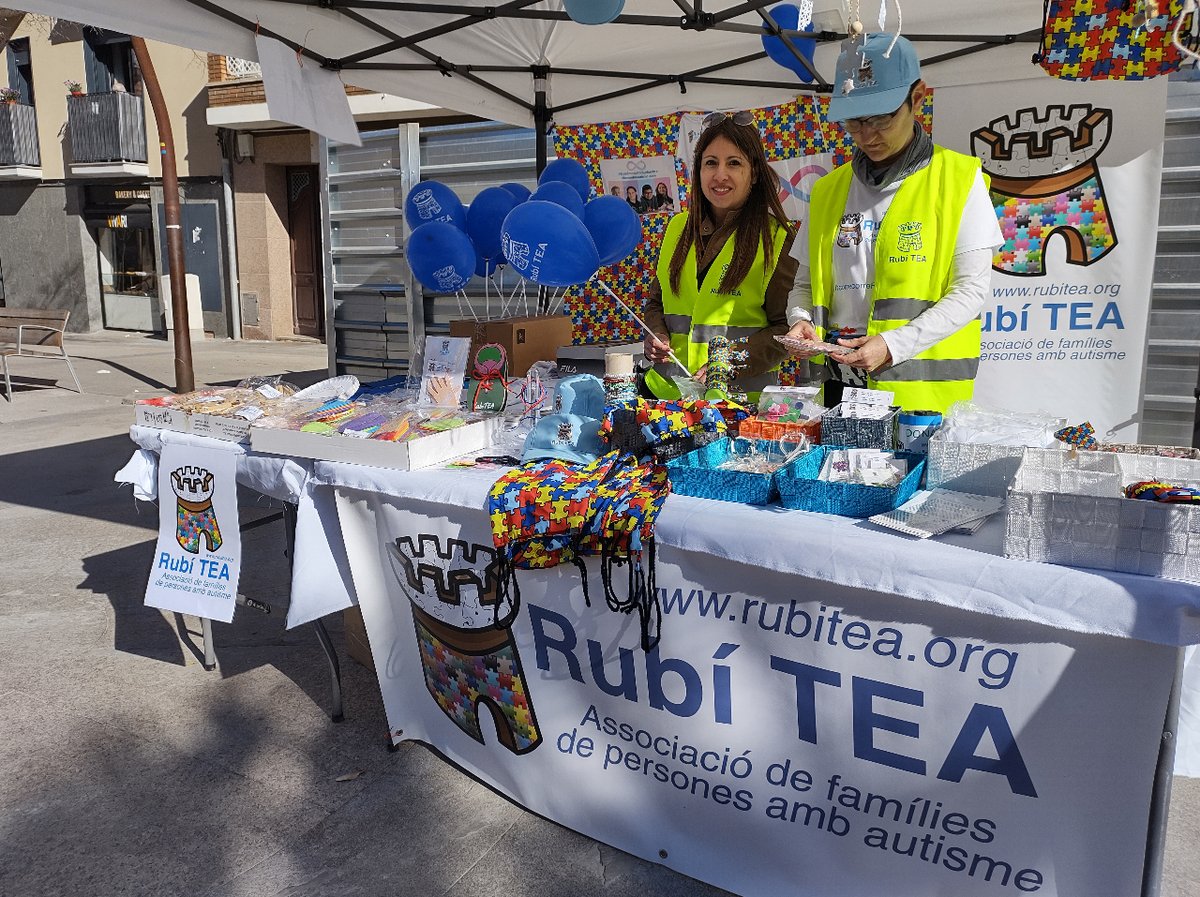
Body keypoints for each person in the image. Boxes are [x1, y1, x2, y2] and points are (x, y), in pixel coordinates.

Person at [782, 33, 1003, 413]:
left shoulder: (958, 179)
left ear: (917, 97)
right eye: (854, 122)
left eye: (882, 118)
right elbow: (804, 285)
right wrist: (799, 319)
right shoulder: (827, 191)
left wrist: (893, 345)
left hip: (922, 401)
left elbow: (970, 291)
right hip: (837, 389)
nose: (868, 135)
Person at [642, 111, 796, 400]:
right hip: (666, 401)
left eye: (734, 163)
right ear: (698, 171)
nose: (720, 175)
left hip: (736, 408)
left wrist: (729, 360)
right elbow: (656, 302)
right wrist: (655, 334)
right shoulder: (676, 229)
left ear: (754, 174)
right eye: (710, 163)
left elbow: (787, 330)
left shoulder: (776, 239)